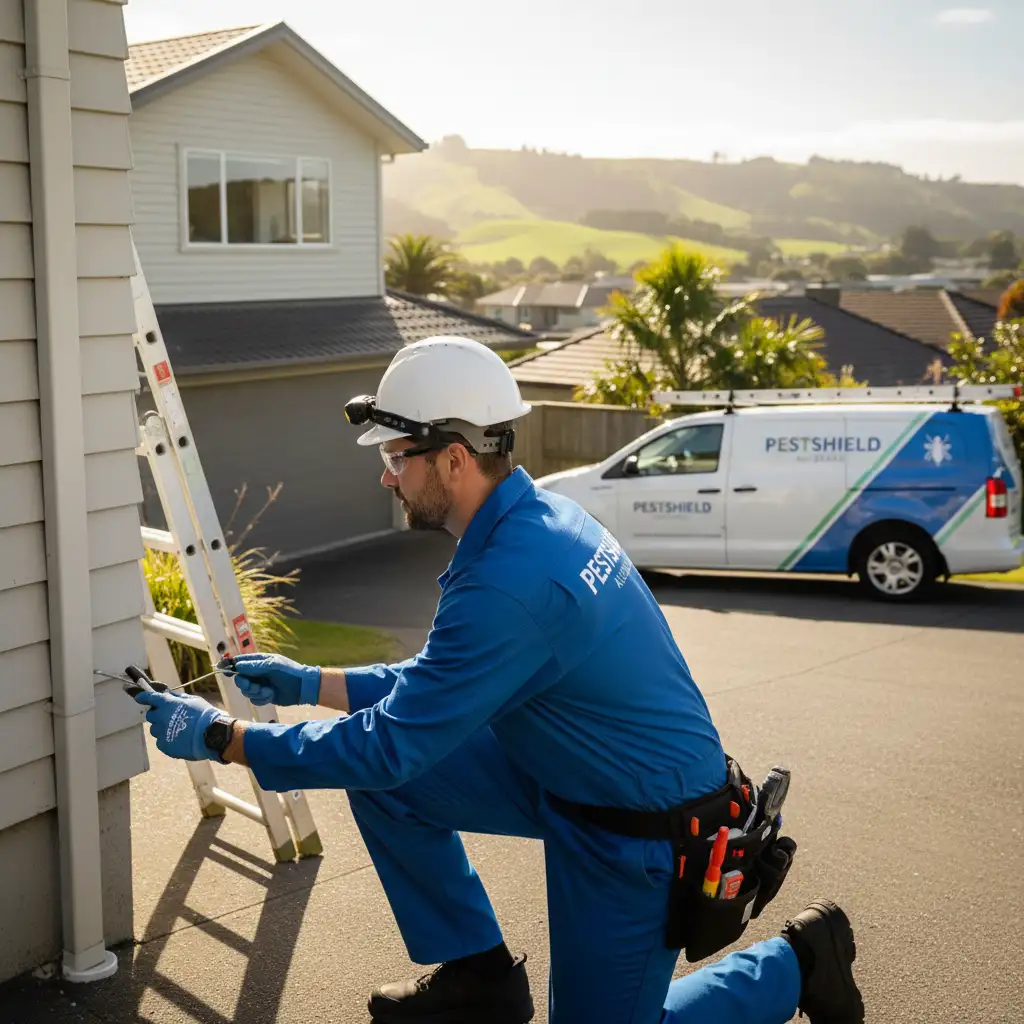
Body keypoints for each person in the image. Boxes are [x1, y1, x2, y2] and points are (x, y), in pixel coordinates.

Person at [132, 337, 864, 1024]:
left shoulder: (512, 581)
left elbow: (389, 744)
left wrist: (223, 739)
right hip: (572, 779)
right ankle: (482, 977)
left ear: (453, 458)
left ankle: (797, 963)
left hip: (639, 832)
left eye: (395, 454)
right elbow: (435, 688)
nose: (386, 474)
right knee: (396, 786)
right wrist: (303, 681)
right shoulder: (537, 518)